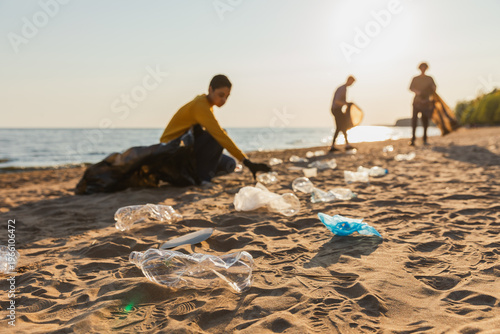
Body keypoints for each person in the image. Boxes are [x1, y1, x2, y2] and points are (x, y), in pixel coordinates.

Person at [160, 74, 270, 183]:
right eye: (221, 95)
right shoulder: (200, 105)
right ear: (210, 89)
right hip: (171, 150)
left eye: (227, 97)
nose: (224, 100)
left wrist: (246, 162)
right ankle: (203, 178)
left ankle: (196, 174)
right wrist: (247, 162)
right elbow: (220, 135)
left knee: (230, 164)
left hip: (188, 150)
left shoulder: (207, 106)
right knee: (216, 137)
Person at [409, 62, 436, 146]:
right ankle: (413, 140)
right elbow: (410, 88)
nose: (423, 69)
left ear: (426, 68)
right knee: (414, 121)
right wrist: (417, 92)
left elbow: (434, 88)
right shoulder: (415, 78)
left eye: (425, 67)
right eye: (422, 67)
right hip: (417, 102)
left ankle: (424, 139)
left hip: (426, 102)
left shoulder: (429, 78)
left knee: (425, 121)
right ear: (420, 68)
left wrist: (431, 89)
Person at [329, 76, 356, 152]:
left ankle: (345, 144)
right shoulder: (342, 89)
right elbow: (337, 101)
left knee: (342, 126)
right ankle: (333, 146)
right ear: (349, 80)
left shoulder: (344, 88)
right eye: (352, 82)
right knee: (339, 127)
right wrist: (346, 103)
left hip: (338, 109)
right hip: (336, 109)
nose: (352, 84)